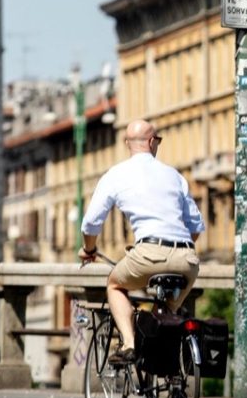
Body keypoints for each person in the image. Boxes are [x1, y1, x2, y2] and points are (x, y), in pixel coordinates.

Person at [78, 119, 205, 364]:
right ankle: (169, 385)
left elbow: (91, 222)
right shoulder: (175, 176)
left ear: (128, 144)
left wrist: (89, 249)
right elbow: (196, 228)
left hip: (147, 254)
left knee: (115, 285)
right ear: (151, 142)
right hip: (187, 260)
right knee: (166, 316)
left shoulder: (116, 175)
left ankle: (128, 344)